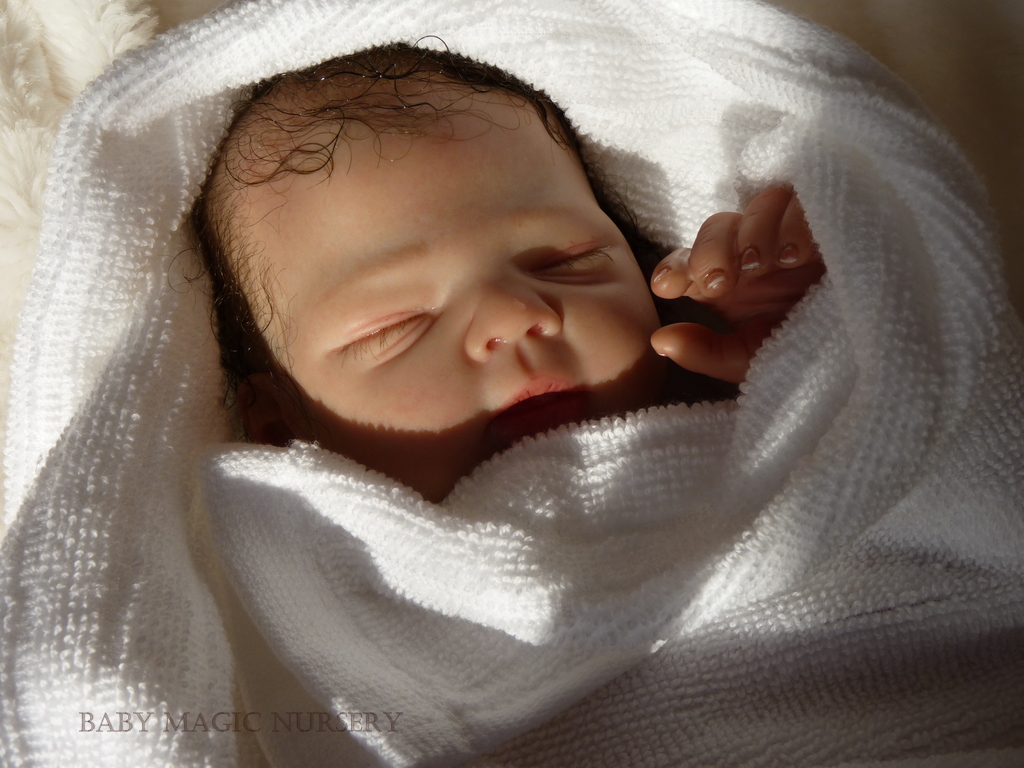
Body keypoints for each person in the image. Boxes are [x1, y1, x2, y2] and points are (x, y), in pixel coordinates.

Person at [190, 43, 823, 502]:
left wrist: (805, 348)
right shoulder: (328, 576)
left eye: (566, 263)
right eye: (398, 324)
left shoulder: (740, 410)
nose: (515, 314)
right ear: (284, 429)